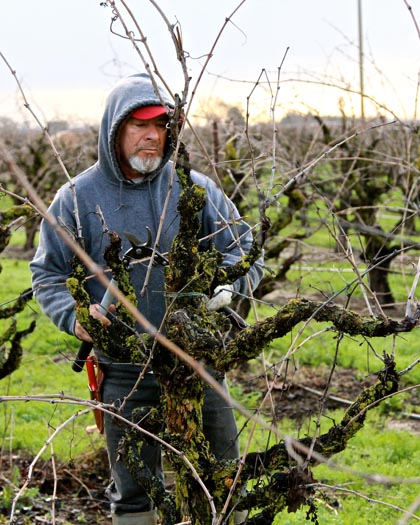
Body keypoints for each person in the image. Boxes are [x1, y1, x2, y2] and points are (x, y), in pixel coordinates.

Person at [30, 73, 263, 525]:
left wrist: (229, 286)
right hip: (123, 369)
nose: (152, 136)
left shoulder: (195, 189)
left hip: (198, 361)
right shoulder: (76, 199)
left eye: (160, 125)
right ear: (114, 131)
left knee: (223, 480)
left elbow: (244, 248)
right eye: (138, 125)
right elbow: (47, 275)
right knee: (133, 492)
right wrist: (76, 316)